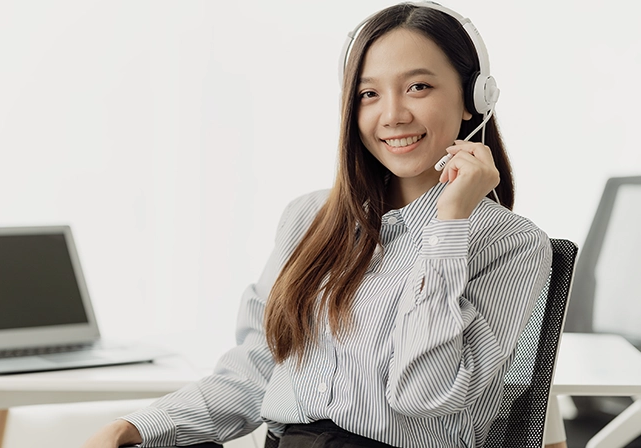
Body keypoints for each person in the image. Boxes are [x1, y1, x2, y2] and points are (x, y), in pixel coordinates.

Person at [82, 2, 563, 447]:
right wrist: (136, 427)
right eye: (369, 94)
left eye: (418, 86)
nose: (392, 114)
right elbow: (256, 372)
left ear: (472, 99)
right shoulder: (309, 218)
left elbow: (423, 394)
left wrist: (449, 223)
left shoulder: (513, 245)